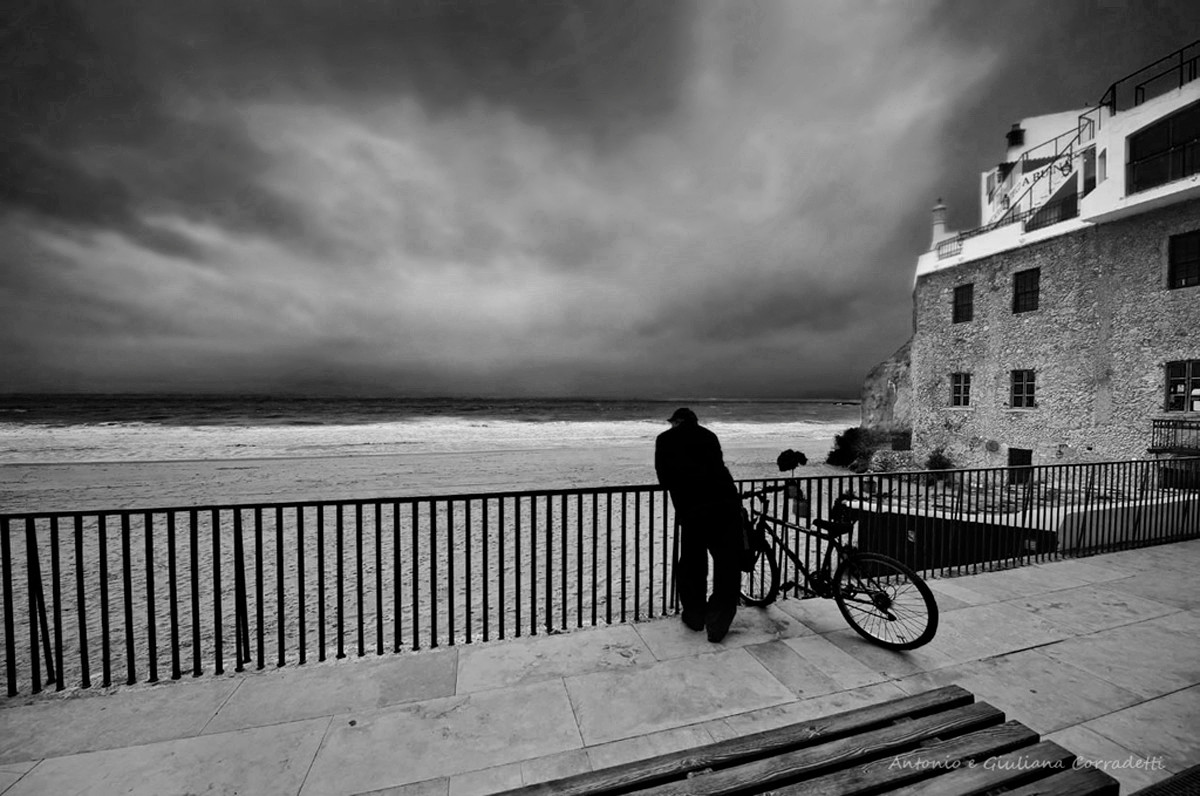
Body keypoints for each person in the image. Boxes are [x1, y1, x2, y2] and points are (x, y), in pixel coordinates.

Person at [655, 407, 742, 642]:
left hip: (693, 509)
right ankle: (718, 624)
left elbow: (663, 478)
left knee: (693, 564)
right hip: (725, 504)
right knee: (727, 566)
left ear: (677, 421)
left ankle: (694, 617)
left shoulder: (665, 439)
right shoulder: (709, 436)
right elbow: (718, 466)